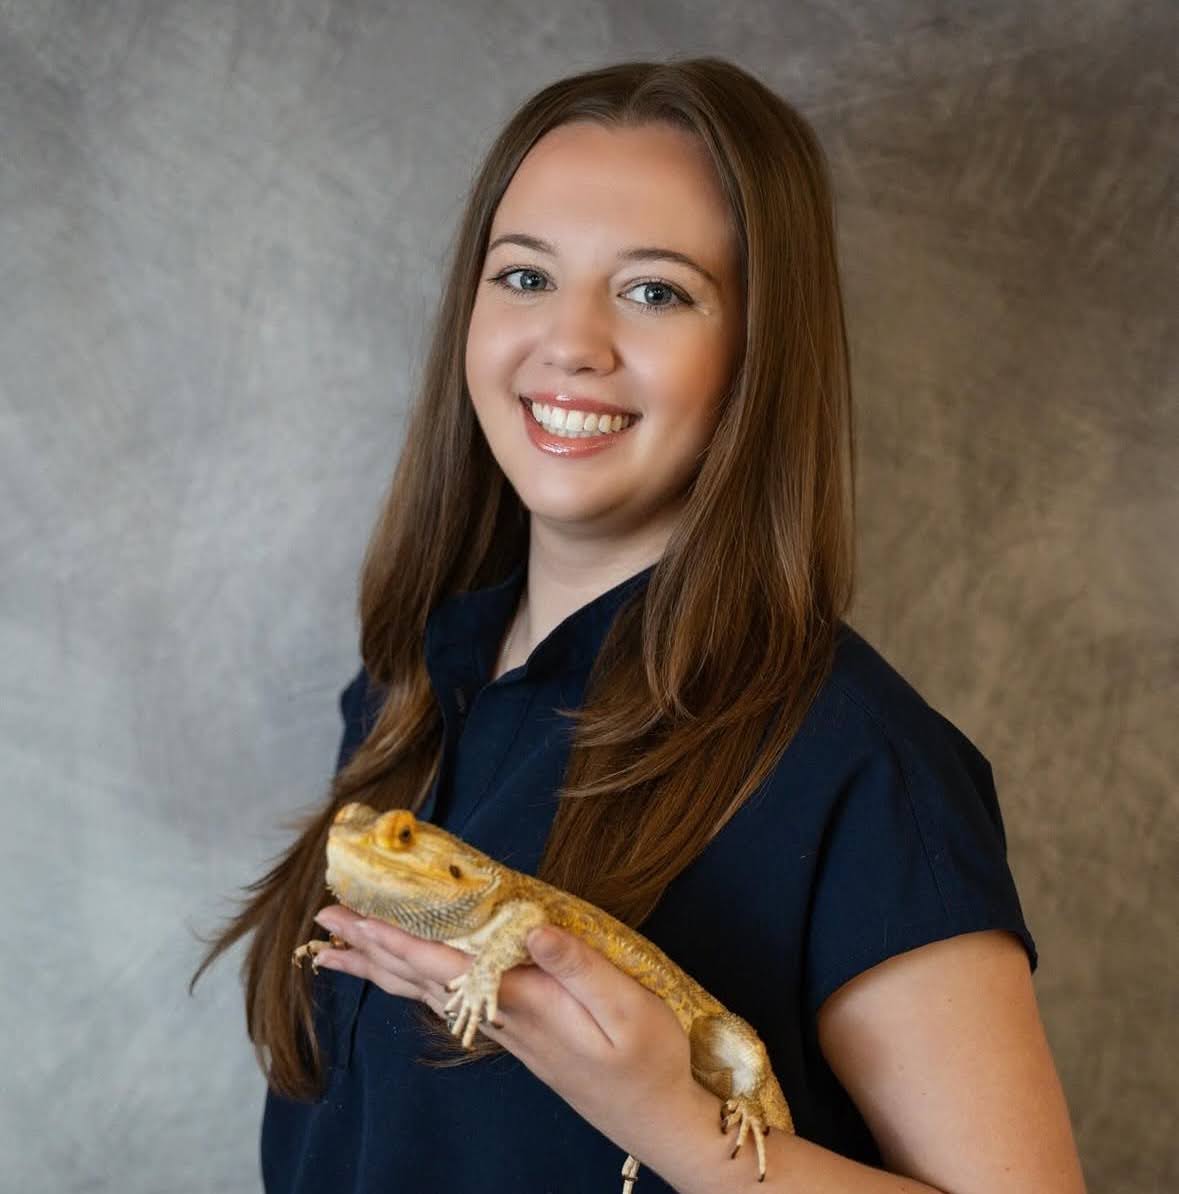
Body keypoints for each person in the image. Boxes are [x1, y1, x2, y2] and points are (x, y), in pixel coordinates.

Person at [191, 56, 1087, 1193]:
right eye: (525, 276)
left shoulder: (857, 763)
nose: (571, 341)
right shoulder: (406, 692)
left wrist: (669, 1119)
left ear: (756, 351)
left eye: (655, 292)